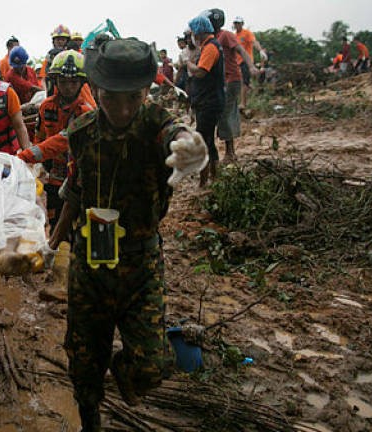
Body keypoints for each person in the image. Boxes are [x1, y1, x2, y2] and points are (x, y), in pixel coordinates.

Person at [48, 38, 207, 431]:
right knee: (84, 365)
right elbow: (74, 191)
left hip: (140, 266)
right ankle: (91, 423)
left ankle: (123, 372)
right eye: (111, 97)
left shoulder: (155, 123)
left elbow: (178, 135)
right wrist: (52, 245)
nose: (121, 109)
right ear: (97, 89)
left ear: (145, 92)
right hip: (90, 266)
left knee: (151, 365)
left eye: (132, 98)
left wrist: (194, 149)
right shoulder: (81, 132)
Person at [18, 49, 95, 229]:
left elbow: (61, 141)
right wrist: (40, 168)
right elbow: (40, 137)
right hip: (54, 177)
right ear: (55, 81)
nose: (68, 86)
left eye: (73, 82)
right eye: (63, 81)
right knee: (55, 221)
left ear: (82, 83)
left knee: (77, 225)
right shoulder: (46, 106)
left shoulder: (86, 113)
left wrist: (25, 156)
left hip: (78, 178)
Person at [207, 8, 258, 163]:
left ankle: (230, 153)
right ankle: (230, 151)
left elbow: (241, 50)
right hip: (222, 81)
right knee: (226, 113)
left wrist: (251, 66)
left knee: (225, 113)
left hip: (232, 79)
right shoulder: (211, 38)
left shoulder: (226, 36)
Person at [187, 15, 224, 187]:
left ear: (199, 33)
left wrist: (189, 65)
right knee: (208, 141)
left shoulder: (210, 47)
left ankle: (204, 182)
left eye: (193, 33)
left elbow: (201, 72)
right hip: (208, 100)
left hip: (209, 102)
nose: (191, 37)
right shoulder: (210, 46)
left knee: (203, 142)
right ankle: (215, 177)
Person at [232, 16, 267, 109]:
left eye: (238, 23)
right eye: (235, 23)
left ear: (242, 24)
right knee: (238, 82)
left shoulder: (247, 33)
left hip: (246, 61)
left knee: (244, 82)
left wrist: (260, 51)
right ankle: (244, 99)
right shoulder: (234, 36)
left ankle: (243, 104)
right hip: (236, 62)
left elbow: (254, 42)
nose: (237, 25)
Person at [40, 25, 71, 95]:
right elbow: (44, 77)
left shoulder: (72, 54)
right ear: (53, 41)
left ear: (67, 41)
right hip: (53, 89)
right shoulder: (49, 56)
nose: (60, 42)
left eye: (62, 40)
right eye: (57, 40)